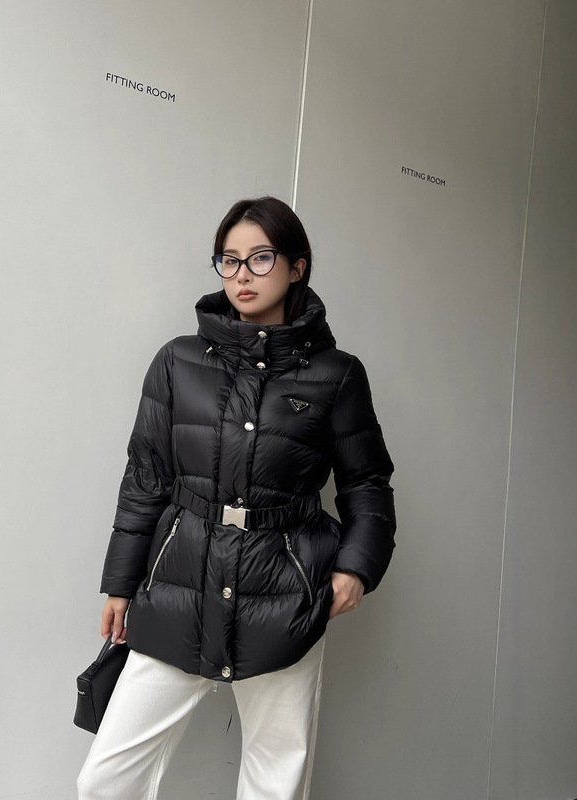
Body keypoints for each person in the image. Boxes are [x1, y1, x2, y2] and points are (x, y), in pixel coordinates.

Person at [77, 197, 396, 800]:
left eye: (260, 258)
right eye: (229, 260)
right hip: (179, 587)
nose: (242, 274)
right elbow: (146, 477)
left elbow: (366, 483)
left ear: (297, 267)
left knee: (275, 784)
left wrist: (356, 568)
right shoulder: (177, 361)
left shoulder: (337, 375)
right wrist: (120, 584)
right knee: (105, 780)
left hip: (285, 595)